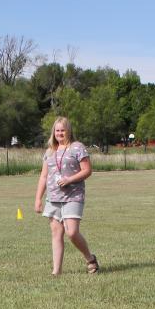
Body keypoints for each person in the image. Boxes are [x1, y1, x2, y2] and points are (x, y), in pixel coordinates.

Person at [34, 116, 99, 275]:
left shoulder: (77, 147)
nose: (60, 133)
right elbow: (43, 176)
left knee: (71, 232)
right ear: (53, 132)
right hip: (53, 197)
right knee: (56, 233)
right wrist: (38, 199)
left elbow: (87, 170)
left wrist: (69, 179)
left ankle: (90, 258)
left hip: (73, 196)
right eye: (57, 130)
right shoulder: (50, 151)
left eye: (63, 130)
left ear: (69, 130)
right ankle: (56, 271)